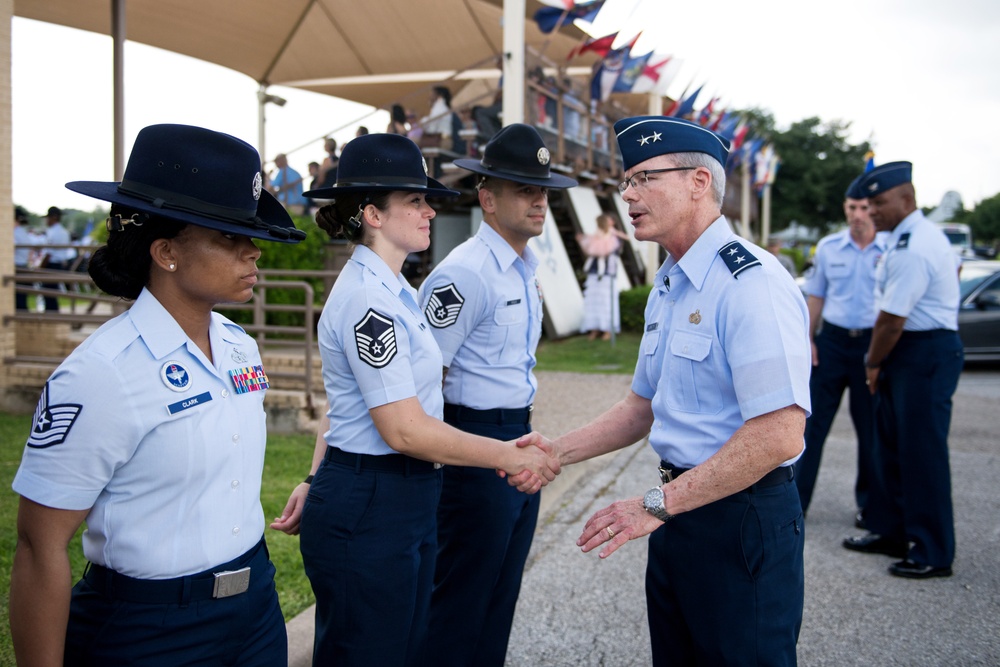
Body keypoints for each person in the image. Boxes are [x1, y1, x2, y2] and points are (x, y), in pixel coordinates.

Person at [514, 116, 811, 665]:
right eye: (627, 181)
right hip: (679, 515)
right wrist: (556, 451)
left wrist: (656, 504)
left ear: (700, 182)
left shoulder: (752, 284)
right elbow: (643, 406)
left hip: (739, 517)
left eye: (645, 178)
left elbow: (777, 433)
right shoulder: (671, 284)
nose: (629, 194)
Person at [8, 123, 306, 666]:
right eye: (228, 237)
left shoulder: (240, 347)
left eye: (251, 234)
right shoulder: (102, 373)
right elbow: (38, 547)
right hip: (151, 630)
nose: (253, 252)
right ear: (166, 251)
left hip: (255, 609)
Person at [269, 133, 560, 666]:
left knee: (406, 642)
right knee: (374, 647)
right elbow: (400, 428)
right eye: (415, 201)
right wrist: (503, 455)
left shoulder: (394, 291)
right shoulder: (367, 297)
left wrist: (315, 476)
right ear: (372, 214)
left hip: (403, 488)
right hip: (376, 492)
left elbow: (348, 401)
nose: (430, 210)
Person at [417, 124, 578, 667]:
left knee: (498, 599)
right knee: (457, 606)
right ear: (487, 198)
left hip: (518, 436)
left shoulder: (522, 268)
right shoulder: (465, 273)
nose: (540, 201)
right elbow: (422, 379)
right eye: (525, 190)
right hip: (470, 448)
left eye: (544, 191)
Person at [842, 161, 963, 579]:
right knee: (888, 446)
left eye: (879, 202)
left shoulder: (916, 243)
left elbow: (892, 318)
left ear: (906, 199)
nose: (871, 210)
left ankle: (932, 549)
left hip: (921, 351)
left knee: (921, 454)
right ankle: (890, 530)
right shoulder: (900, 239)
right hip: (905, 351)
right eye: (868, 202)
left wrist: (872, 362)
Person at [795, 176, 887, 523]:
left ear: (872, 209)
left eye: (864, 207)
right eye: (852, 207)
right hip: (832, 343)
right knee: (810, 427)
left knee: (871, 430)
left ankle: (870, 507)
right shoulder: (830, 247)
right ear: (845, 209)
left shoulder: (888, 248)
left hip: (870, 344)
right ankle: (797, 504)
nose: (858, 214)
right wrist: (809, 340)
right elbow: (816, 297)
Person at [577, 212, 630, 341]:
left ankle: (607, 329)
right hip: (594, 270)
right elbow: (590, 250)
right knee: (593, 300)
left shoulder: (615, 237)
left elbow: (611, 251)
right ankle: (594, 328)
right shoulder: (596, 235)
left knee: (606, 301)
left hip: (607, 272)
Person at [41, 205, 76, 311]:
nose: (47, 220)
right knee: (52, 291)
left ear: (54, 217)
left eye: (48, 217)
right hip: (60, 263)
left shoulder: (53, 232)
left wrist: (40, 267)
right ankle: (53, 311)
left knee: (48, 291)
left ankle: (51, 313)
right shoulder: (64, 231)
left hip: (52, 263)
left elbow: (49, 253)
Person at [13, 206, 35, 311]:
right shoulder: (22, 232)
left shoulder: (14, 232)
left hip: (17, 267)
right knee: (21, 298)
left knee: (19, 300)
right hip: (23, 265)